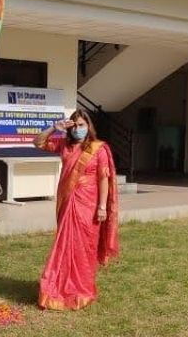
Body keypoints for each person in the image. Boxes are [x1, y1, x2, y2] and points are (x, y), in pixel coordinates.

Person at [33, 109, 120, 310]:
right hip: (68, 201)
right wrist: (55, 128)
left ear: (89, 126)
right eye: (75, 126)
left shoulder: (98, 149)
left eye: (82, 125)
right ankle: (58, 287)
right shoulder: (65, 144)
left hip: (89, 205)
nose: (78, 129)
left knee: (85, 247)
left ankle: (82, 288)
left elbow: (103, 179)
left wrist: (102, 207)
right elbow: (38, 142)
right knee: (65, 245)